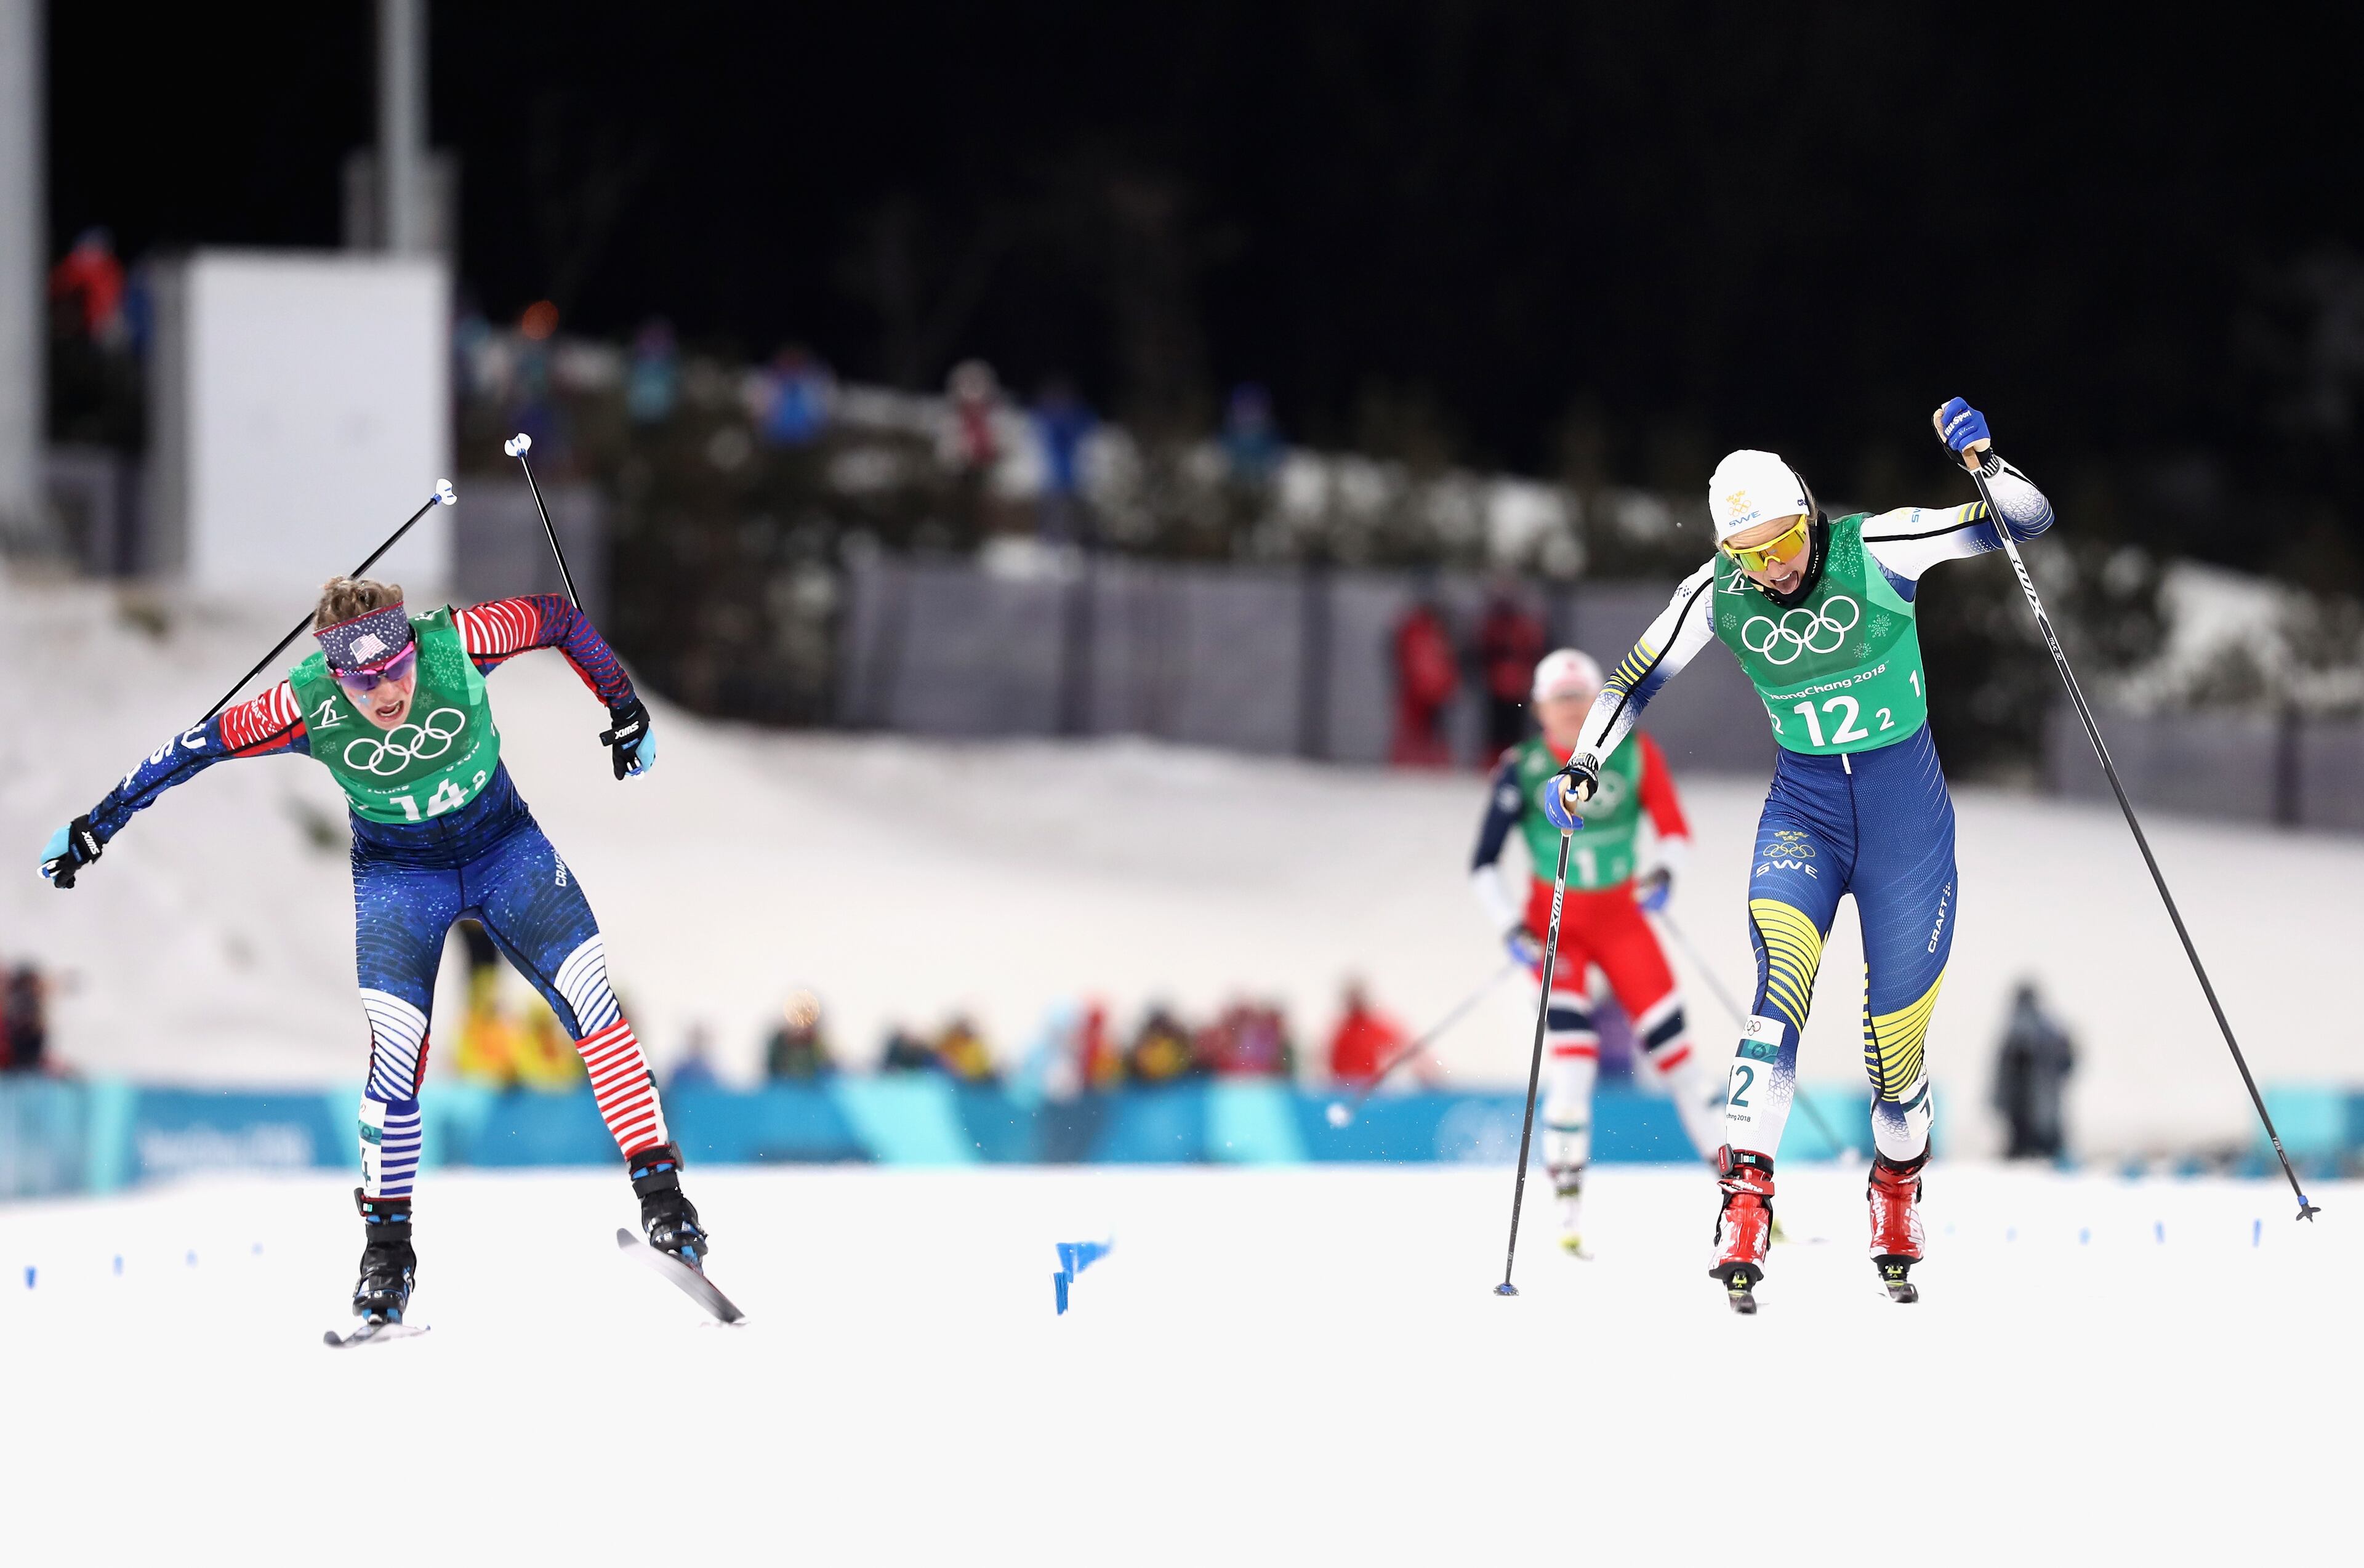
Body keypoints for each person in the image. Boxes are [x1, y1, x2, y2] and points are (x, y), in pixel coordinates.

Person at [38, 576, 707, 1334]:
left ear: (410, 644)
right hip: (400, 880)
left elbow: (558, 618)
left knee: (595, 1007)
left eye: (395, 669)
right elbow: (188, 750)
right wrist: (94, 827)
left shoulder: (459, 642)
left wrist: (625, 708)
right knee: (395, 1056)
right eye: (362, 680)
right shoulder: (302, 704)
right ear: (335, 673)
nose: (386, 691)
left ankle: (666, 1205)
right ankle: (387, 1258)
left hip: (505, 851)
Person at [1550, 396, 2054, 1308]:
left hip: (1909, 836)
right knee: (1778, 991)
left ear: (1810, 514)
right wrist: (1585, 760)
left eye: (1784, 542)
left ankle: (1897, 1190)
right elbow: (1634, 679)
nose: (1773, 568)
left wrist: (1982, 460)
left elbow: (2027, 521)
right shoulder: (1719, 591)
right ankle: (1744, 1193)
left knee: (1893, 1058)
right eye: (1750, 554)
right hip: (1805, 820)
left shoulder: (1882, 549)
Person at [1472, 648, 1724, 1256]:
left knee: (1681, 1063)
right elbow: (1483, 864)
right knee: (1574, 1065)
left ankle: (1744, 1197)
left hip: (1622, 925)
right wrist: (1511, 928)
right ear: (1539, 709)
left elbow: (1674, 830)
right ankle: (1567, 1213)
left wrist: (1664, 874)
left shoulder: (1635, 753)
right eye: (1560, 700)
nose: (1571, 710)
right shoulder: (1523, 768)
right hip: (1556, 933)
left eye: (1581, 698)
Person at [1993, 981, 2074, 1160]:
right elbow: (2068, 1064)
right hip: (2045, 1110)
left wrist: (1999, 1103)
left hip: (2025, 1112)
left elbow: (2004, 1077)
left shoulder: (2016, 1032)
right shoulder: (2052, 1031)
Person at [1475, 587, 1546, 755]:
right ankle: (1497, 760)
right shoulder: (1497, 627)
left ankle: (1511, 760)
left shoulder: (1520, 627)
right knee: (1498, 730)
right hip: (1500, 686)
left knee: (1511, 729)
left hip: (1514, 686)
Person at [1390, 596, 1460, 768]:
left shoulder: (1440, 634)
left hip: (1436, 691)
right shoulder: (1415, 631)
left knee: (1437, 731)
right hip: (1419, 691)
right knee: (1414, 730)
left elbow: (1448, 663)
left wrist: (1449, 686)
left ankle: (1437, 764)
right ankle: (1408, 762)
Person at [1326, 979, 1410, 1088]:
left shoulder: (1377, 1029)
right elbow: (1332, 1066)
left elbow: (1401, 1047)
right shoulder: (1341, 1033)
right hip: (1348, 1088)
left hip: (1373, 1089)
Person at [764, 989, 835, 1080]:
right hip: (783, 1087)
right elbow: (772, 1069)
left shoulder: (821, 1046)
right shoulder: (780, 1043)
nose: (802, 1028)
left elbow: (830, 1069)